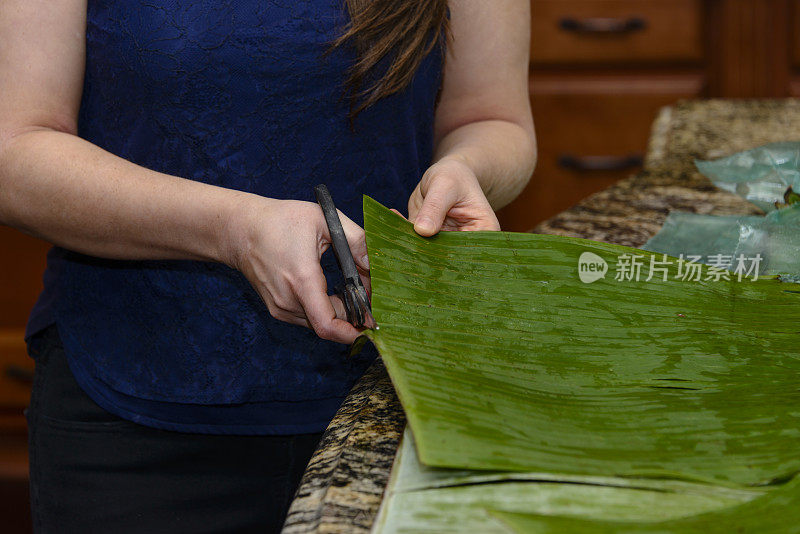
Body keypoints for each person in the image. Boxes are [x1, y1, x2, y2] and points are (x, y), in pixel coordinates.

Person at [0, 0, 536, 532]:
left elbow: (492, 118)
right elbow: (14, 150)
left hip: (402, 407)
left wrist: (467, 168)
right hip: (134, 417)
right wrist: (232, 228)